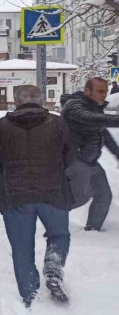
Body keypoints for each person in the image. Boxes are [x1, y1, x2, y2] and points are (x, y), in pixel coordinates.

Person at [0, 85, 75, 307]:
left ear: (16, 102)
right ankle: (53, 266)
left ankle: (29, 295)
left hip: (14, 194)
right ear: (41, 101)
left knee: (21, 246)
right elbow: (71, 154)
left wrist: (3, 167)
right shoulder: (58, 124)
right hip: (53, 190)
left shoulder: (0, 127)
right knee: (59, 234)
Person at [60, 77, 119, 232]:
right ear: (87, 91)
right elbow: (92, 119)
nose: (104, 95)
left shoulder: (94, 107)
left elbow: (103, 134)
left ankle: (93, 230)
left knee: (104, 195)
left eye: (106, 91)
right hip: (75, 161)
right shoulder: (74, 106)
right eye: (100, 91)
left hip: (90, 161)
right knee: (76, 199)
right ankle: (53, 225)